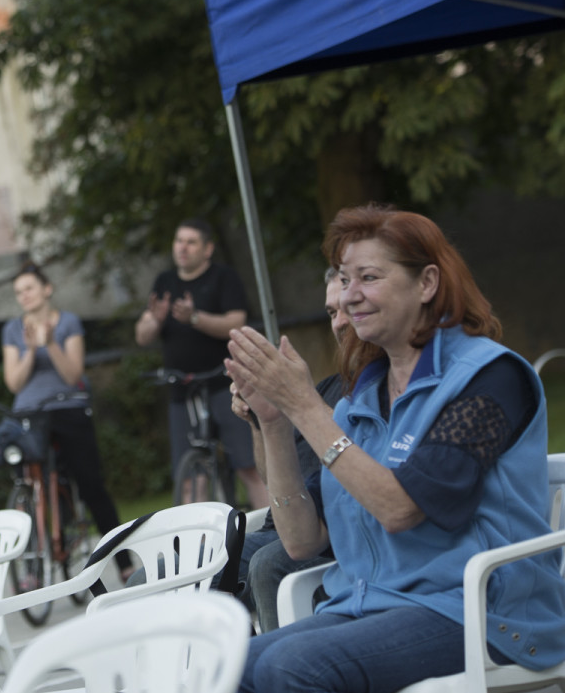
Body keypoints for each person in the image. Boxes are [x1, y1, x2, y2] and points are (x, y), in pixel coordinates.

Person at [227, 204, 565, 692]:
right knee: (224, 667)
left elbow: (400, 507)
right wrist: (275, 421)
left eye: (368, 277)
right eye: (345, 279)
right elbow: (301, 541)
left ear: (426, 284)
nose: (350, 295)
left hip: (482, 613)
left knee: (293, 668)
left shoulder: (490, 378)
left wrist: (306, 408)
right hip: (367, 604)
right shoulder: (361, 400)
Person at [228, 267, 349, 631]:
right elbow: (274, 477)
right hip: (283, 524)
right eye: (331, 312)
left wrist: (302, 402)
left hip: (331, 533)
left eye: (349, 307)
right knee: (159, 572)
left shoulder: (371, 393)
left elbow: (363, 450)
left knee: (268, 564)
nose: (341, 322)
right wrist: (261, 422)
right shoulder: (328, 387)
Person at [2, 263, 131, 578]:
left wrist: (51, 344)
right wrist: (31, 350)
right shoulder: (12, 330)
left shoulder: (68, 322)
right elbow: (14, 383)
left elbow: (73, 375)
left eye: (29, 288)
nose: (24, 296)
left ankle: (124, 563)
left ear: (47, 289)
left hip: (67, 407)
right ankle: (32, 567)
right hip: (30, 414)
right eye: (19, 292)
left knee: (90, 484)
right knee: (29, 485)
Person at [134, 218, 268, 508]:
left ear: (207, 249)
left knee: (249, 466)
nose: (182, 248)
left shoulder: (223, 277)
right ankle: (199, 547)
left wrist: (195, 318)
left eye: (190, 242)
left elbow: (236, 322)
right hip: (182, 392)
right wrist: (155, 320)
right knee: (191, 476)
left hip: (224, 384)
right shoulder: (165, 282)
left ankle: (274, 533)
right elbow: (142, 335)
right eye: (178, 241)